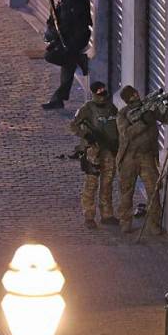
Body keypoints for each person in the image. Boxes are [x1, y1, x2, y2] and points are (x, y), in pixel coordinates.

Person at [115, 85, 168, 234]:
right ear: (126, 100)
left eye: (136, 93)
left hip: (147, 156)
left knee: (153, 190)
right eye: (132, 96)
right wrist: (143, 121)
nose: (136, 96)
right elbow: (127, 133)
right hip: (129, 157)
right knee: (126, 191)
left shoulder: (148, 107)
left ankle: (153, 224)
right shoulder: (123, 114)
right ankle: (125, 222)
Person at [69, 81, 119, 229]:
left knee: (107, 182)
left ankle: (107, 214)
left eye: (104, 90)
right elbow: (73, 125)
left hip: (109, 150)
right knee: (91, 183)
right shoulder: (87, 109)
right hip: (94, 151)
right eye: (99, 91)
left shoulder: (111, 108)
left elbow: (117, 125)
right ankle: (89, 216)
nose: (102, 93)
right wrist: (86, 136)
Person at [42, 0, 92, 110]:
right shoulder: (63, 2)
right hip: (68, 39)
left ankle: (79, 58)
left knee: (55, 57)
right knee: (68, 63)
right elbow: (54, 20)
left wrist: (63, 35)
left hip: (77, 39)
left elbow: (76, 23)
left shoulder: (77, 2)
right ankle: (58, 99)